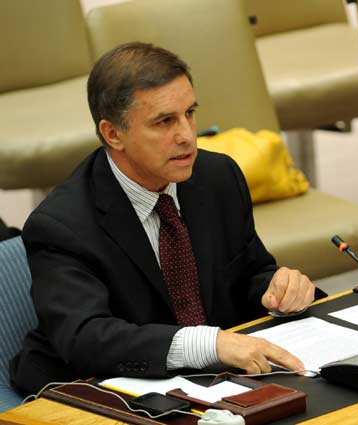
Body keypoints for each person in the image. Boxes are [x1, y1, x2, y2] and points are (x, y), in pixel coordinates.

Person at [10, 42, 315, 395]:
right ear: (113, 134)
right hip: (102, 387)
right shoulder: (61, 226)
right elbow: (87, 338)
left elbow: (248, 274)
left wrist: (278, 289)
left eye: (190, 113)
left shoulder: (218, 178)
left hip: (213, 384)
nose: (187, 135)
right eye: (165, 121)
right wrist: (208, 344)